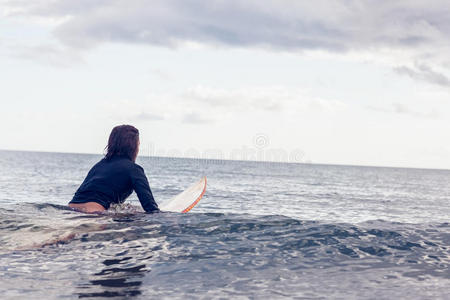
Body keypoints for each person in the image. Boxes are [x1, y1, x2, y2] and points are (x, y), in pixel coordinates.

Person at [69, 125, 160, 213]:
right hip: (95, 216)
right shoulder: (134, 169)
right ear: (134, 147)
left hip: (70, 211)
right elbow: (150, 207)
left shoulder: (99, 165)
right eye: (138, 144)